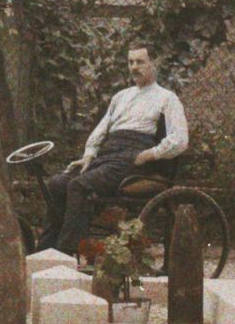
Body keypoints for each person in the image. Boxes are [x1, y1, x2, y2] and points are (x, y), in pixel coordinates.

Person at [38, 42, 190, 259]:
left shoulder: (166, 98)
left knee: (79, 186)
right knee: (57, 184)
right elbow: (101, 129)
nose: (134, 67)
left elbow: (180, 138)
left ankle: (67, 253)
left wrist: (151, 154)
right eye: (130, 62)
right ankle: (44, 253)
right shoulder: (121, 96)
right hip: (107, 155)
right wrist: (89, 155)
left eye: (140, 62)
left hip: (132, 157)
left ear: (153, 64)